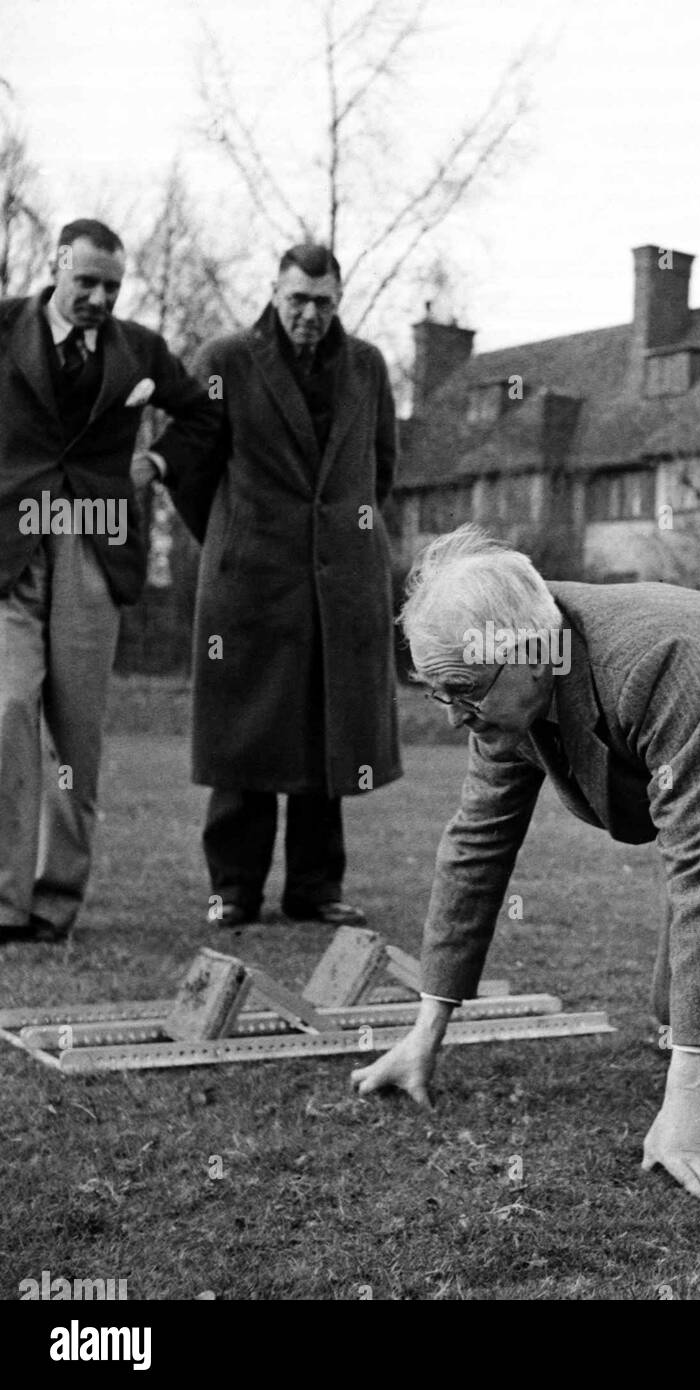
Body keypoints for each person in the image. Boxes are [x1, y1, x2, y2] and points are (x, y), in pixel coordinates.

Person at [352, 526, 700, 1200]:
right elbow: (477, 847)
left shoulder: (652, 660)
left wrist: (689, 1104)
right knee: (682, 994)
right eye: (442, 694)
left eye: (465, 691)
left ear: (532, 652)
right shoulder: (509, 693)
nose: (454, 718)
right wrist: (424, 1032)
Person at [166, 244, 401, 930]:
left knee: (328, 737)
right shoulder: (225, 361)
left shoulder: (367, 366)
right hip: (248, 582)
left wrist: (340, 535)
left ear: (338, 301)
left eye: (324, 301)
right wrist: (234, 538)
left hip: (339, 581)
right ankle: (233, 889)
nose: (310, 314)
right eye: (298, 299)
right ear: (274, 292)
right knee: (244, 737)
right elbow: (190, 469)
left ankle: (314, 889)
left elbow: (378, 469)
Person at [0, 218, 221, 944]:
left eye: (113, 287)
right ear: (58, 264)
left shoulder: (142, 349)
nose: (98, 297)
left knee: (76, 737)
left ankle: (55, 903)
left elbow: (202, 415)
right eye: (87, 281)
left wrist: (154, 465)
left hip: (95, 547)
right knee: (6, 713)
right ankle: (3, 902)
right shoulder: (6, 327)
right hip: (10, 546)